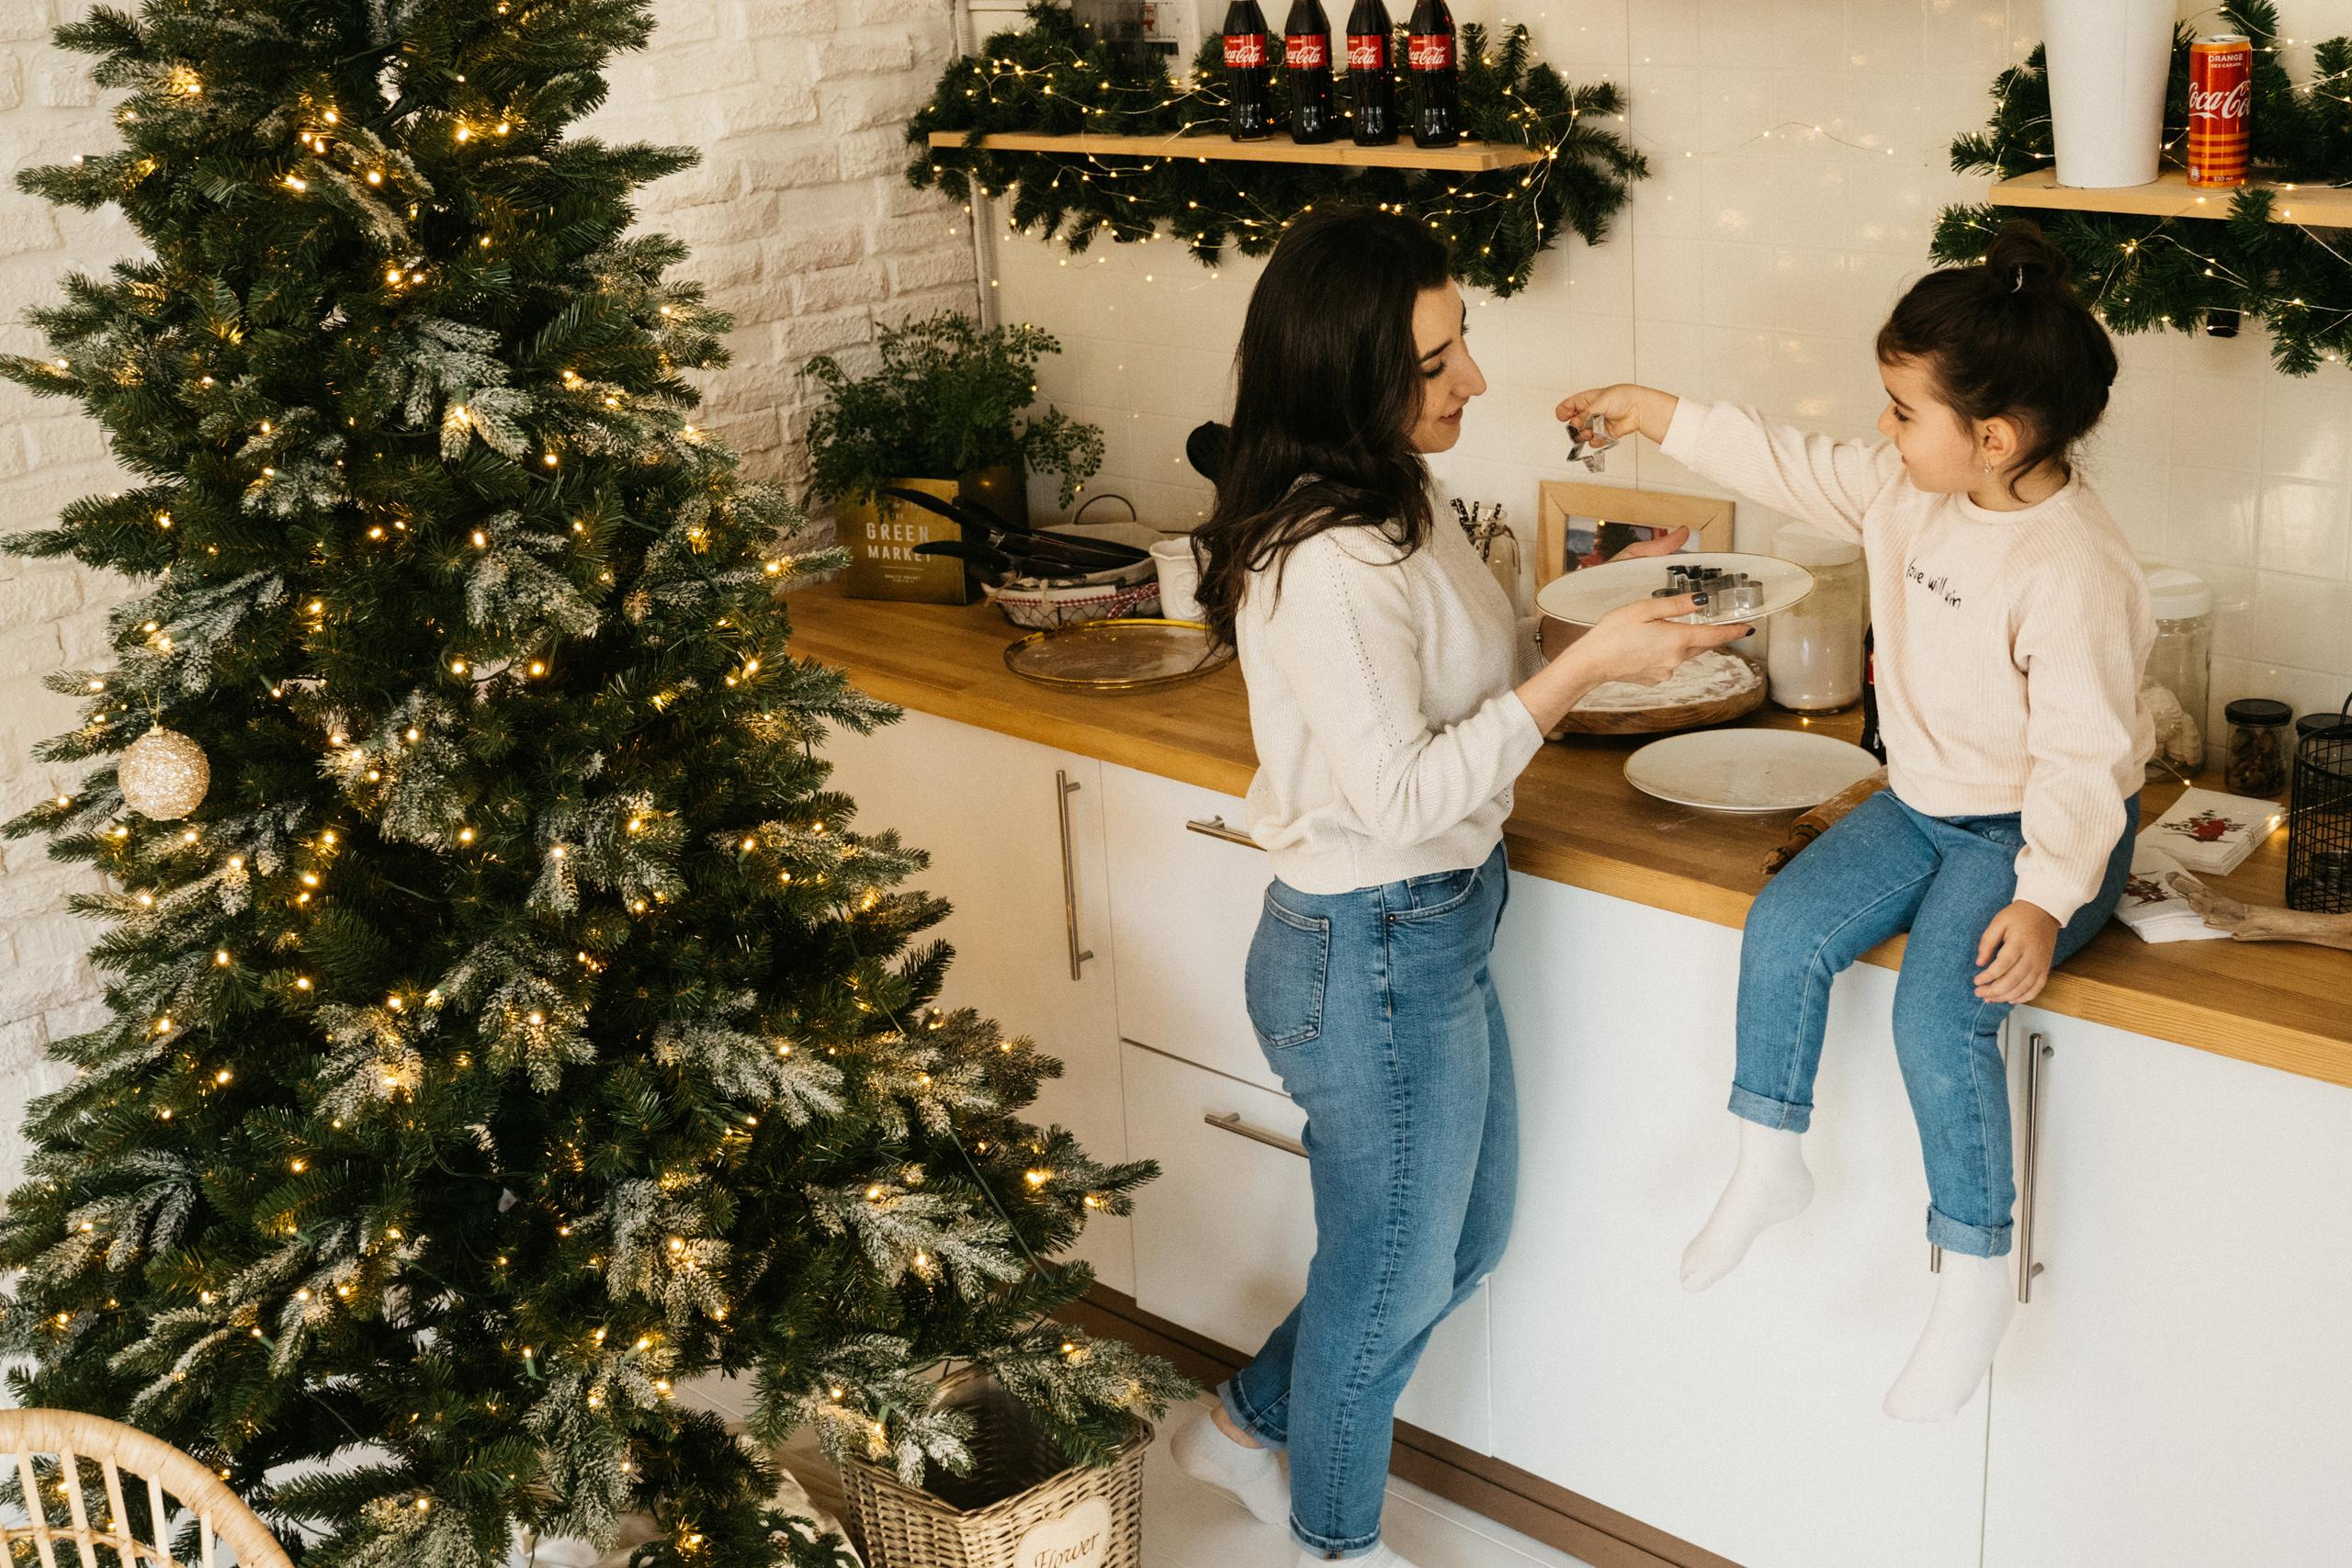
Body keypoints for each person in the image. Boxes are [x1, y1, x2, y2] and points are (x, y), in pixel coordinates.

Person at [1172, 206, 1747, 1565]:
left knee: (1456, 1243)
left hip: (1430, 928)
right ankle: (1334, 1542)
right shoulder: (1326, 559)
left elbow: (1468, 672)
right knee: (1392, 1276)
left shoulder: (1398, 495)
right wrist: (1582, 673)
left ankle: (1245, 1428)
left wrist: (1613, 623)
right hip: (1365, 946)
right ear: (1348, 372)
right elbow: (1406, 793)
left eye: (1464, 341)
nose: (1473, 380)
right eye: (1438, 362)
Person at [1556, 220, 2153, 1421]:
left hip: (2040, 833)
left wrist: (2044, 898)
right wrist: (1650, 407)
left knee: (1942, 1020)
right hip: (1925, 806)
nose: (1879, 431)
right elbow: (1780, 459)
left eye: (1900, 410)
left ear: (1992, 437)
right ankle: (1769, 1159)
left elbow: (2086, 758)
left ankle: (1975, 1271)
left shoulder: (2074, 569)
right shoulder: (1909, 492)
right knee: (1786, 927)